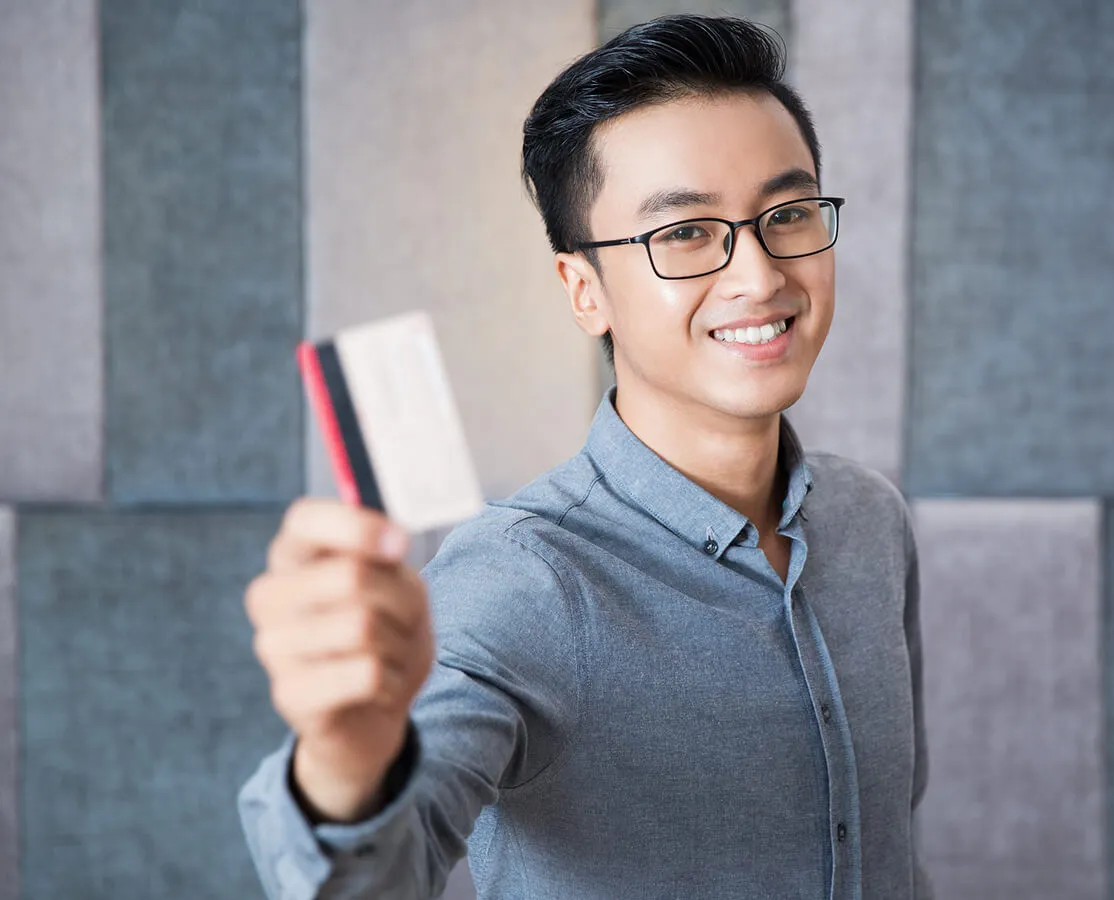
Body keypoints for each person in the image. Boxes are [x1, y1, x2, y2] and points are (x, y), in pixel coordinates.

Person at [238, 14, 930, 900]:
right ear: (584, 290)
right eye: (684, 233)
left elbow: (895, 849)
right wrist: (343, 759)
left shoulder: (870, 520)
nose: (759, 276)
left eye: (787, 214)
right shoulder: (523, 580)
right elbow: (364, 880)